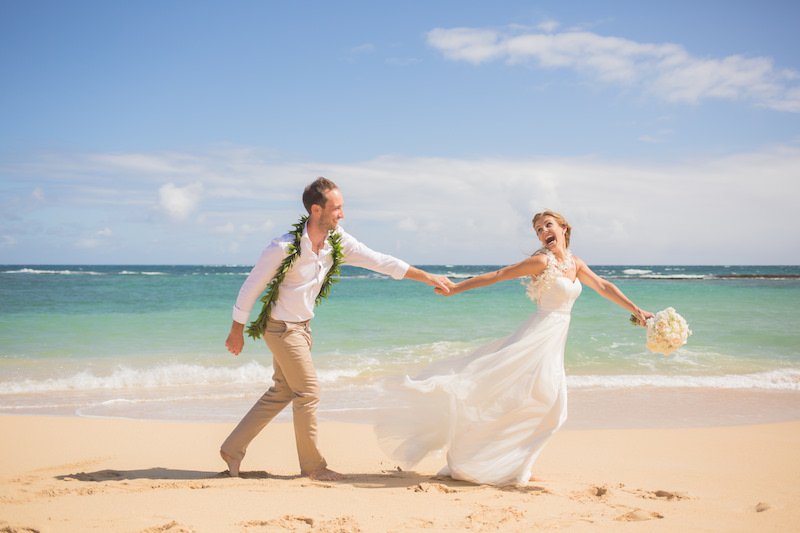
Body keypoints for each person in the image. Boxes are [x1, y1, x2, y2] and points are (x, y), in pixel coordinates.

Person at [376, 210, 653, 486]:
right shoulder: (541, 261)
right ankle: (489, 463)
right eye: (538, 230)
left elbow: (603, 285)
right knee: (535, 401)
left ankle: (518, 465)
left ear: (564, 229)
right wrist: (457, 288)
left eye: (548, 225)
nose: (544, 232)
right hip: (536, 337)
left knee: (550, 406)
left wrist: (636, 309)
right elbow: (500, 274)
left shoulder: (575, 263)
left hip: (553, 341)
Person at [221, 177, 450, 481]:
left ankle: (232, 448)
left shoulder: (337, 242)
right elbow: (251, 287)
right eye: (337, 208)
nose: (342, 214)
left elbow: (381, 262)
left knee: (284, 391)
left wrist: (428, 277)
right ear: (316, 210)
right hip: (280, 329)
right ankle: (313, 466)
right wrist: (236, 330)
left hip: (302, 328)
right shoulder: (283, 247)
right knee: (309, 391)